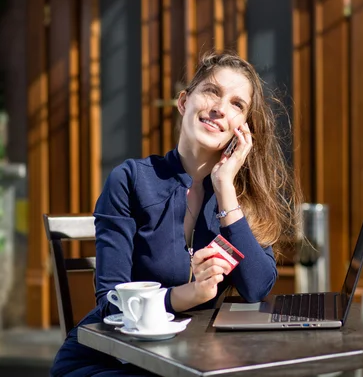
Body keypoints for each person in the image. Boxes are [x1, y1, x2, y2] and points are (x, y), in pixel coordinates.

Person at [51, 51, 302, 376]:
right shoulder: (130, 180)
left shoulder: (238, 199)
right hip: (112, 361)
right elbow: (111, 303)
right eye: (212, 91)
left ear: (244, 130)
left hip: (191, 361)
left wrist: (225, 186)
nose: (219, 108)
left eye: (237, 105)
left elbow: (257, 287)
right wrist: (189, 295)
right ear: (184, 102)